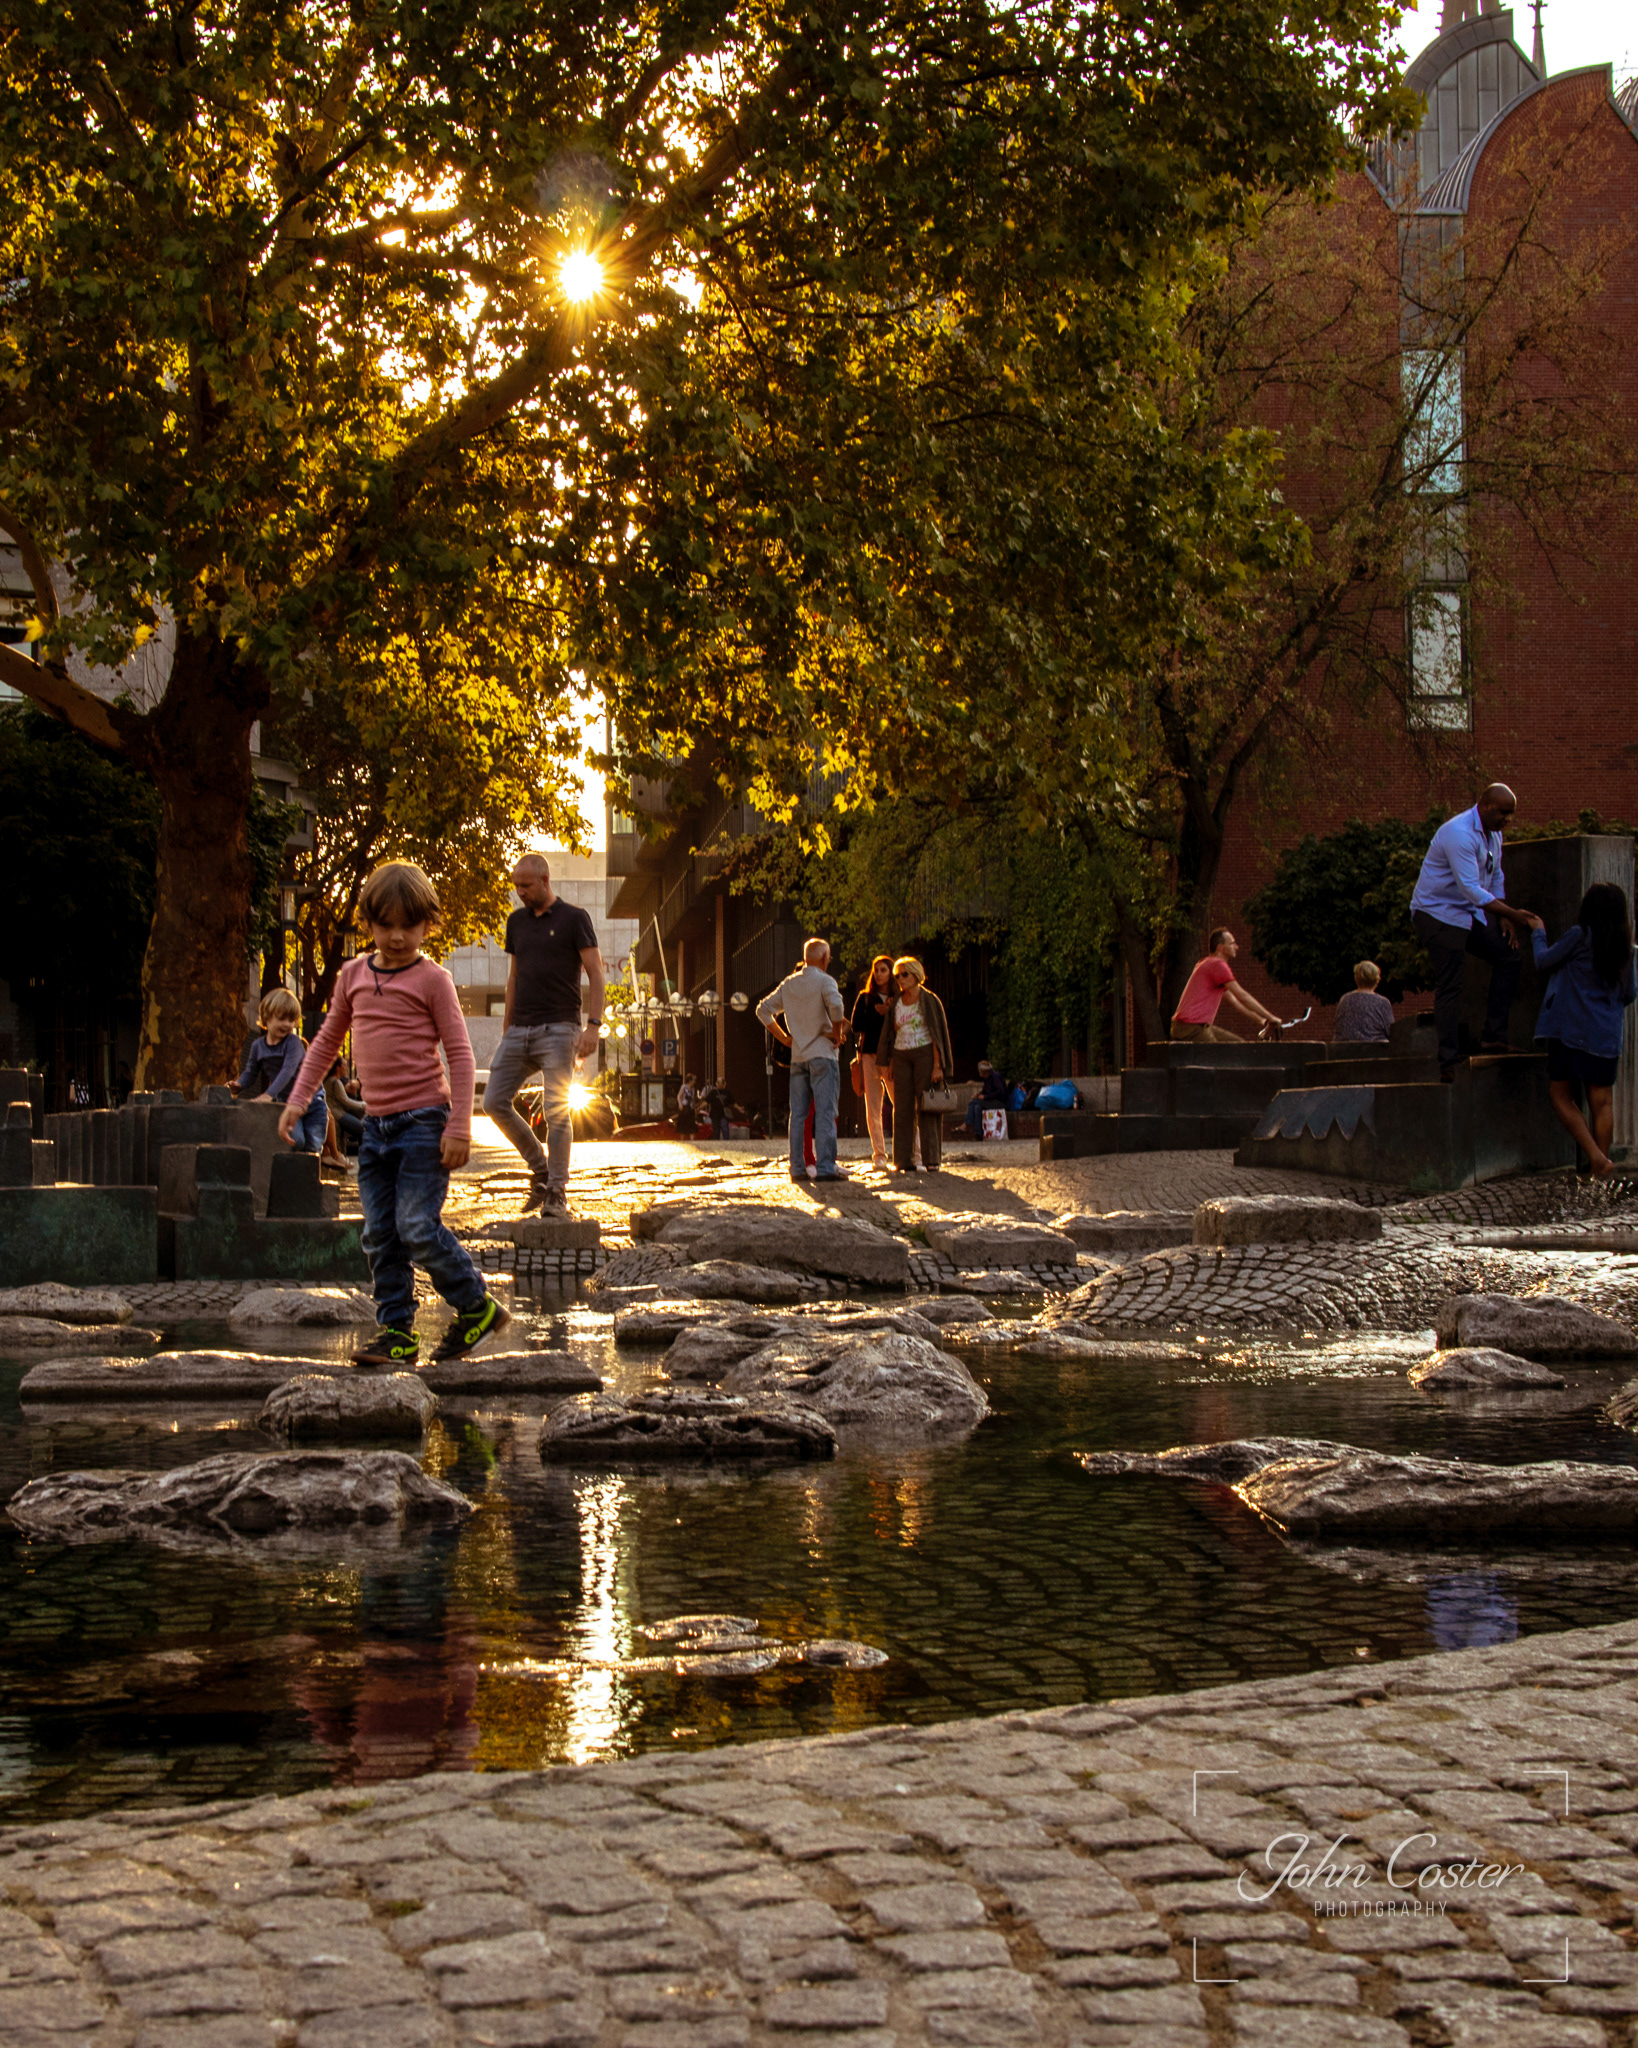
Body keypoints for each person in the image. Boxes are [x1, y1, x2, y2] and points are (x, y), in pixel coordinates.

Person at [281, 861, 509, 1368]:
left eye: (410, 926)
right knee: (379, 1231)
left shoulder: (434, 980)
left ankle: (476, 1305)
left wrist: (459, 1125)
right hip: (377, 1129)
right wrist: (297, 1100)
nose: (398, 937)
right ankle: (396, 1332)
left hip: (424, 1122)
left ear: (429, 924)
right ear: (368, 924)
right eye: (386, 925)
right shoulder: (352, 976)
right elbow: (323, 1044)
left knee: (416, 1226)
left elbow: (461, 1052)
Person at [483, 853, 605, 1216]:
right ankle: (539, 1169)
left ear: (545, 880)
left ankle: (556, 1191)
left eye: (526, 885)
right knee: (493, 1102)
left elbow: (596, 974)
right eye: (516, 885)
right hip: (520, 1029)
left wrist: (593, 1027)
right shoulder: (516, 921)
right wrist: (507, 1026)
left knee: (556, 1111)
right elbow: (514, 978)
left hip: (560, 1028)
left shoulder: (574, 918)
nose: (519, 891)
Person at [1410, 783, 1538, 1082]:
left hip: (1467, 913)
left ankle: (1493, 1036)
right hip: (1436, 912)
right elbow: (1470, 887)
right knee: (1451, 982)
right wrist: (1513, 914)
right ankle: (1448, 1062)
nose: (1508, 820)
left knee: (1508, 956)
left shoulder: (1493, 835)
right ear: (1486, 807)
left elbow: (1494, 877)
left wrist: (1503, 918)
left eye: (1512, 814)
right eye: (1504, 813)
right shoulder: (1459, 833)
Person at [1531, 882, 1637, 1178]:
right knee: (1602, 1101)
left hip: (1572, 1032)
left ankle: (1596, 1157)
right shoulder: (1625, 948)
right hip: (1606, 1036)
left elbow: (1544, 961)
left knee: (1560, 1094)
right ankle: (1599, 1175)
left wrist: (1538, 930)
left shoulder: (1579, 936)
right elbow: (1630, 994)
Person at [757, 938, 847, 1182]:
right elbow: (837, 1008)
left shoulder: (790, 983)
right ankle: (826, 1167)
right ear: (825, 958)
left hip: (798, 1056)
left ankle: (797, 1168)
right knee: (826, 1112)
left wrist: (784, 1037)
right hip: (823, 1054)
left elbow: (763, 1009)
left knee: (798, 1114)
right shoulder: (825, 981)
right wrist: (837, 1034)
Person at [874, 956, 953, 1174]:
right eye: (897, 975)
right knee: (902, 1108)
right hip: (900, 1055)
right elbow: (891, 1032)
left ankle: (931, 1159)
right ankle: (903, 1160)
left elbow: (937, 1033)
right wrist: (887, 1061)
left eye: (904, 974)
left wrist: (938, 1066)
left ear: (916, 974)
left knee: (926, 1105)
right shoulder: (897, 1001)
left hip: (924, 1053)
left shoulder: (929, 1000)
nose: (900, 979)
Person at [236, 988, 328, 1153]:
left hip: (313, 1101)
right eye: (282, 1018)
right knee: (295, 1141)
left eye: (291, 1020)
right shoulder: (258, 1046)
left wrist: (268, 1095)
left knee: (313, 1146)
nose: (287, 1024)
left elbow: (288, 1070)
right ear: (267, 1018)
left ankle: (307, 1175)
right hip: (288, 1103)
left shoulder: (294, 1043)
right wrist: (239, 1085)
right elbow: (251, 1072)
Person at [1170, 930, 1283, 1043]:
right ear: (1221, 948)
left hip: (1191, 1026)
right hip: (1191, 1027)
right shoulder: (1217, 965)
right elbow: (1242, 996)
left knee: (1240, 1046)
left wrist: (1263, 1020)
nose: (1236, 947)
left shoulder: (1207, 964)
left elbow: (1235, 1002)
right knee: (1223, 1057)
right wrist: (1271, 1017)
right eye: (1232, 943)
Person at [850, 955, 896, 1170]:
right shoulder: (865, 997)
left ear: (891, 973)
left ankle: (912, 1152)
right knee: (873, 1108)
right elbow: (855, 1025)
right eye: (876, 970)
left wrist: (889, 1012)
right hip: (869, 1055)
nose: (879, 974)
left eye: (883, 970)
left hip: (892, 1056)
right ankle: (879, 1154)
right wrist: (878, 1015)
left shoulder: (899, 997)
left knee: (901, 1104)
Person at [1333, 961, 1394, 1043]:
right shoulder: (1382, 1003)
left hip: (1344, 1052)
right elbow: (1392, 1034)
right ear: (1377, 979)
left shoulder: (1344, 1000)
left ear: (1356, 979)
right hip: (1376, 1051)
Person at [323, 1058, 366, 1155]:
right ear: (337, 1068)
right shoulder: (335, 1082)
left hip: (337, 1112)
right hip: (337, 1114)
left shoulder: (332, 1081)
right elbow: (346, 1101)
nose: (345, 1068)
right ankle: (366, 1156)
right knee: (362, 1129)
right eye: (344, 1066)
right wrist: (364, 1105)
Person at [965, 1059, 1010, 1136]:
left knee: (972, 1102)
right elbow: (986, 1090)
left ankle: (966, 1124)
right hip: (991, 1101)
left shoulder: (995, 1077)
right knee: (977, 1107)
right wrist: (979, 1094)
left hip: (999, 1102)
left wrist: (985, 1097)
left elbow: (1000, 1092)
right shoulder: (986, 1079)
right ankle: (978, 1133)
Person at [675, 1072, 699, 1137]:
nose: (695, 1082)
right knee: (683, 1125)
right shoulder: (683, 1087)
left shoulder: (693, 1089)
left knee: (691, 1125)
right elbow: (679, 1096)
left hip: (690, 1108)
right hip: (684, 1108)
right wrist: (680, 1104)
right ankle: (682, 1140)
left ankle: (692, 1140)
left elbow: (693, 1099)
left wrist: (695, 1107)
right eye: (694, 1080)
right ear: (690, 1081)